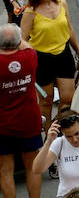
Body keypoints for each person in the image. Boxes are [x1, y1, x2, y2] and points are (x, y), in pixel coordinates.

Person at [0, 22, 44, 198]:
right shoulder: (30, 56)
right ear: (18, 42)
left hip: (2, 125)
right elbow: (25, 43)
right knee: (33, 167)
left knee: (5, 170)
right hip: (29, 121)